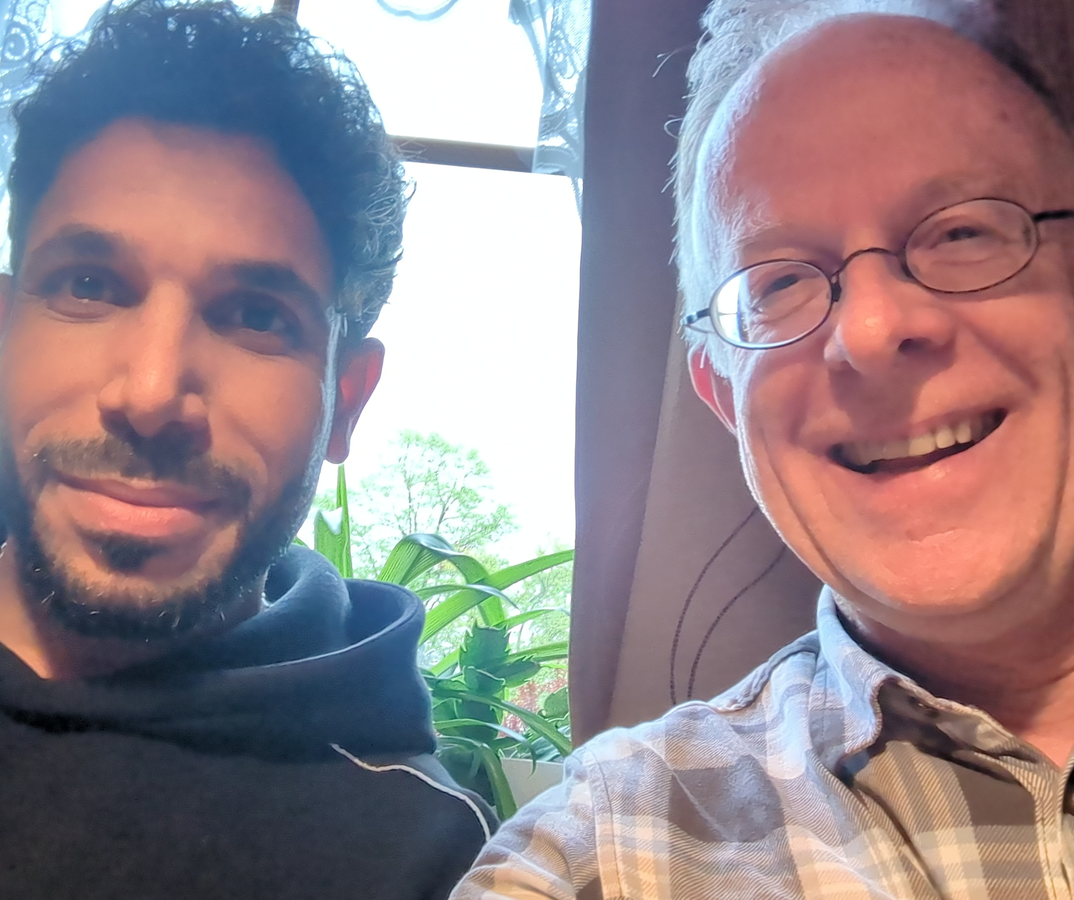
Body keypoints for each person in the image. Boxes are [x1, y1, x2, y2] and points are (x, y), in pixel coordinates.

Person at [450, 0, 1074, 897]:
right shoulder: (604, 853)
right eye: (777, 284)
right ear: (723, 399)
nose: (870, 330)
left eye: (963, 232)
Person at [0, 2, 494, 897]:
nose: (153, 393)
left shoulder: (422, 856)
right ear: (7, 331)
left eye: (256, 317)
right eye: (90, 286)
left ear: (346, 402)